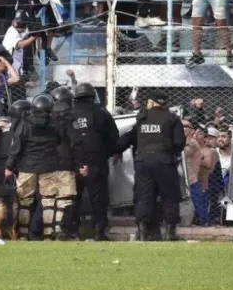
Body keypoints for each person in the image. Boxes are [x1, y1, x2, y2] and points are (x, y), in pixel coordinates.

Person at [116, 90, 186, 241]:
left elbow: (129, 137)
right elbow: (179, 143)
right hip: (164, 160)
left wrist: (116, 150)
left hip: (143, 161)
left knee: (144, 196)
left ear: (152, 102)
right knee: (169, 196)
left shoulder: (142, 118)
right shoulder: (172, 118)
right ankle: (169, 232)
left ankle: (142, 231)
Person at [5, 94, 66, 240]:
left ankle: (24, 234)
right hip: (49, 166)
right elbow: (60, 141)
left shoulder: (25, 123)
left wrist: (9, 166)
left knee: (25, 200)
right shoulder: (56, 123)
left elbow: (17, 146)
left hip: (27, 166)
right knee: (49, 200)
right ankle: (48, 234)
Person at [69, 83, 119, 240]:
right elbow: (113, 138)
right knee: (99, 199)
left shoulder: (68, 114)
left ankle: (72, 231)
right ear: (92, 96)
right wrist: (113, 152)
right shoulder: (102, 113)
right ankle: (99, 232)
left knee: (72, 198)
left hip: (73, 162)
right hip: (96, 161)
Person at [51, 86, 78, 240]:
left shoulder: (44, 116)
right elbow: (76, 141)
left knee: (47, 200)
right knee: (66, 198)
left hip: (47, 163)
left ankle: (45, 231)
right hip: (66, 162)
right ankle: (64, 231)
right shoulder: (71, 117)